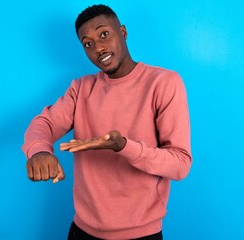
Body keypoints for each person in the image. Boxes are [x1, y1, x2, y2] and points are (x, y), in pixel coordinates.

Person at [22, 4, 192, 240]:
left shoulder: (163, 83)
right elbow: (44, 124)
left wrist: (123, 146)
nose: (98, 48)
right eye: (88, 43)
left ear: (122, 32)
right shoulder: (81, 88)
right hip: (82, 231)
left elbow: (180, 164)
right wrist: (39, 151)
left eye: (104, 34)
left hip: (141, 234)